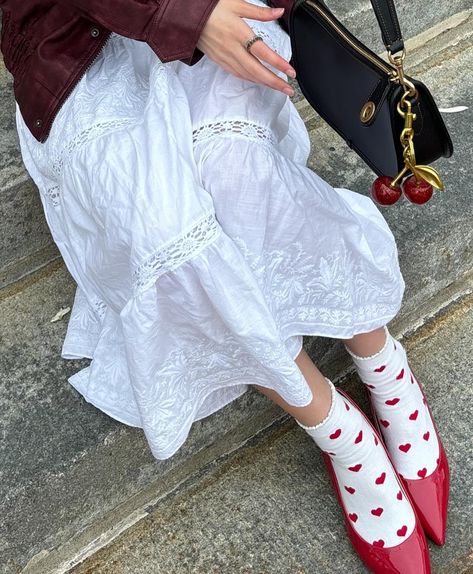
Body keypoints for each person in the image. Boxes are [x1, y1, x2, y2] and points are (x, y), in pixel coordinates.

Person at [1, 0, 449, 571]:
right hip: (74, 48)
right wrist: (182, 17)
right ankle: (342, 434)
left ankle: (384, 367)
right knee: (164, 228)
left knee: (234, 170)